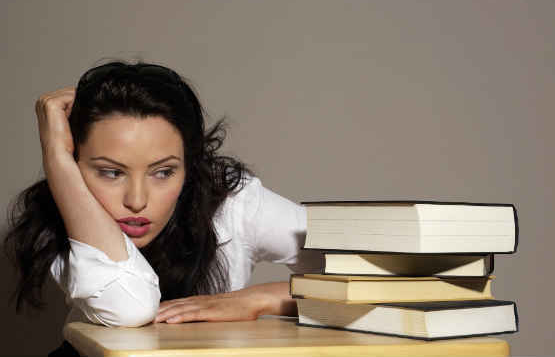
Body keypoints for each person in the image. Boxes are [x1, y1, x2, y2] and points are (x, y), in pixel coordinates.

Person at [3, 60, 321, 356]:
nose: (137, 200)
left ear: (190, 166)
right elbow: (130, 307)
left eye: (163, 172)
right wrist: (56, 158)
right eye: (111, 172)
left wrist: (263, 298)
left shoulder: (233, 205)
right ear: (74, 169)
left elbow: (367, 273)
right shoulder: (68, 209)